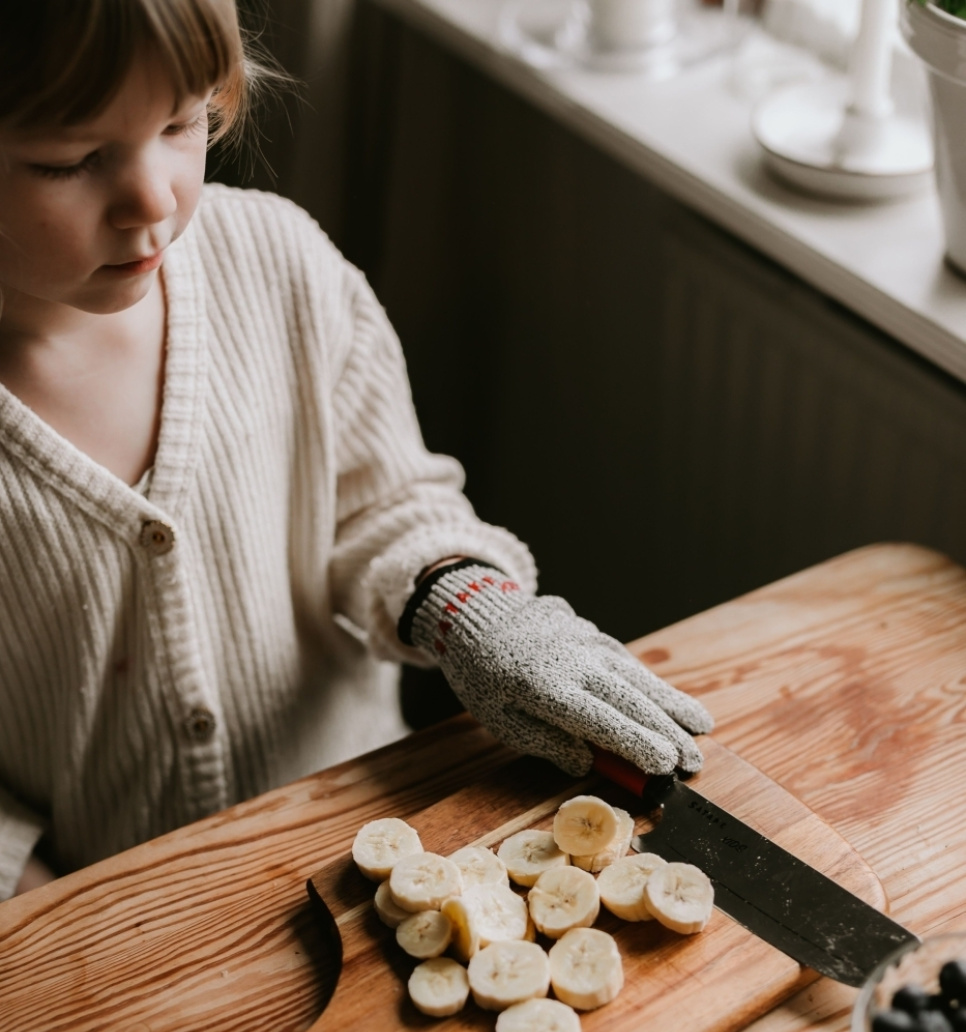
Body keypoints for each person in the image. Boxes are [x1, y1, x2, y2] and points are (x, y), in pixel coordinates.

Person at [0, 0, 712, 901]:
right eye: (71, 160)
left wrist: (473, 612)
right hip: (108, 906)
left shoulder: (282, 267)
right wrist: (33, 895)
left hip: (367, 847)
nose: (153, 197)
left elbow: (388, 506)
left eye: (183, 122)